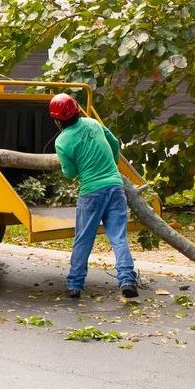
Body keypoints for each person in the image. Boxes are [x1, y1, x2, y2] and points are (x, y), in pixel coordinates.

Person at [49, 93, 138, 299]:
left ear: (57, 120)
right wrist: (111, 167)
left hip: (91, 192)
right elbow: (115, 143)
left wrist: (67, 166)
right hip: (115, 187)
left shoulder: (62, 141)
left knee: (83, 239)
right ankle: (127, 280)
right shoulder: (93, 124)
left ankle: (75, 285)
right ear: (78, 110)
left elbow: (70, 173)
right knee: (118, 237)